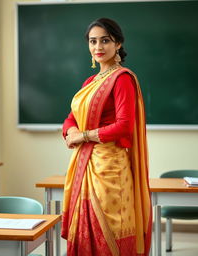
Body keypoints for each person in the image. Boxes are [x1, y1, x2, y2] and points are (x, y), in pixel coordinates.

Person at [61, 18, 152, 256]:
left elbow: (123, 126)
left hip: (110, 169)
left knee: (110, 231)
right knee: (84, 230)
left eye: (105, 40)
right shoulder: (90, 81)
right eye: (93, 41)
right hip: (85, 164)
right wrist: (71, 131)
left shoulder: (122, 79)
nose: (98, 46)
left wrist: (83, 136)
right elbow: (71, 117)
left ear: (118, 44)